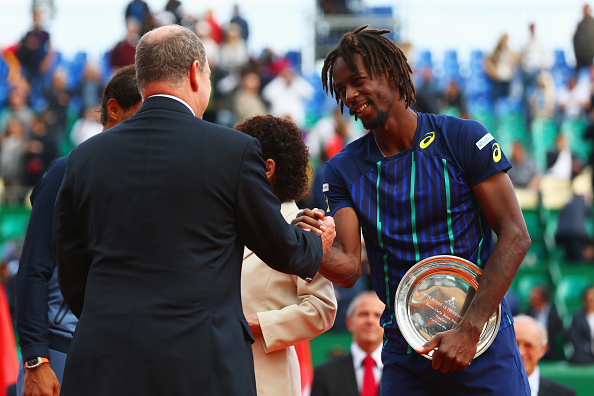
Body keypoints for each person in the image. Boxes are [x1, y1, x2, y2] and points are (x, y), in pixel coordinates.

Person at [53, 25, 335, 396]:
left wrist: (111, 316)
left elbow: (71, 263)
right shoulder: (233, 151)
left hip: (104, 359)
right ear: (195, 73)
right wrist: (317, 242)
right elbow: (283, 248)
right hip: (200, 364)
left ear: (142, 79)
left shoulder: (85, 156)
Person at [294, 25, 531, 395]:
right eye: (341, 90)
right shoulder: (343, 170)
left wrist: (469, 330)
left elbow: (516, 235)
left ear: (389, 72)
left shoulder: (462, 138)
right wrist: (308, 245)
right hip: (406, 356)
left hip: (482, 345)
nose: (350, 95)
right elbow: (349, 270)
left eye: (357, 81)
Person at [14, 64, 142, 396]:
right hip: (60, 349)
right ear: (114, 110)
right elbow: (33, 269)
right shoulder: (67, 170)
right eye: (144, 113)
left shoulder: (148, 182)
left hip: (121, 356)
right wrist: (35, 359)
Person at [235, 115, 337, 396]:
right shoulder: (227, 222)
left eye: (238, 160)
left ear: (267, 168)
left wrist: (254, 323)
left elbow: (322, 309)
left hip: (268, 379)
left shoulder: (306, 225)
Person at [310, 291, 384, 396]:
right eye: (363, 314)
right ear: (349, 322)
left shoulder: (400, 373)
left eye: (377, 315)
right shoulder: (325, 373)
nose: (370, 321)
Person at [514, 315, 576, 396]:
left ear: (542, 349)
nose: (520, 352)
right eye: (514, 344)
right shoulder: (492, 390)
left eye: (528, 345)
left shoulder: (564, 394)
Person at [526, 286, 565, 360]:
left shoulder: (554, 315)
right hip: (532, 351)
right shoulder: (528, 313)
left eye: (534, 294)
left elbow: (560, 333)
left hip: (551, 353)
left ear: (542, 298)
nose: (531, 296)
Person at [567, 286, 594, 364]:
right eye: (588, 298)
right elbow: (575, 338)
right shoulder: (577, 317)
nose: (591, 300)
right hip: (585, 354)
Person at [573, 4, 594, 73]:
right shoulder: (580, 24)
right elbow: (574, 39)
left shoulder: (592, 23)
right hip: (580, 56)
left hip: (590, 56)